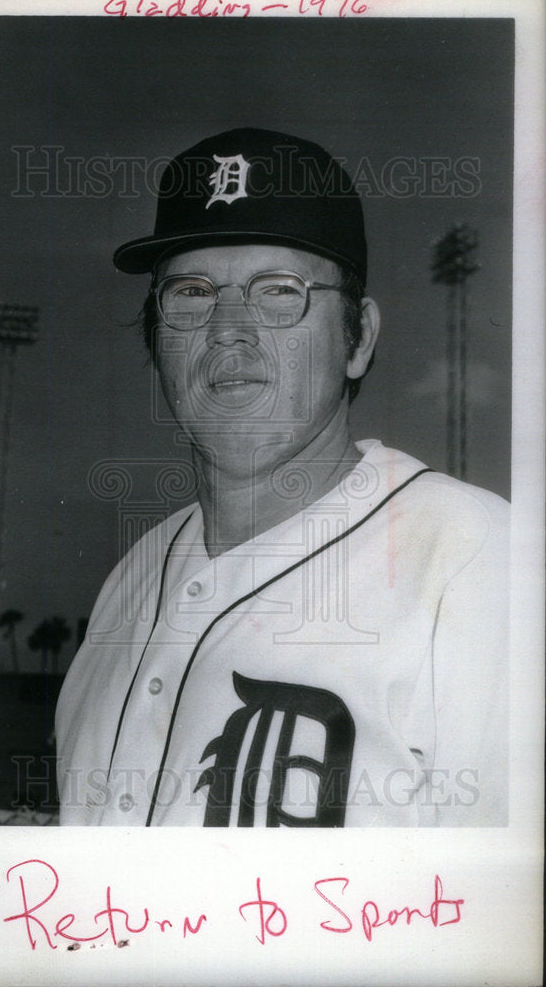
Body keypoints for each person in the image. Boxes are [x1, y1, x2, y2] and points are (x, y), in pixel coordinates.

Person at [55, 128, 508, 827]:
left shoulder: (476, 558)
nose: (228, 329)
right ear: (155, 338)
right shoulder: (129, 580)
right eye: (193, 293)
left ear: (357, 337)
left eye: (278, 291)